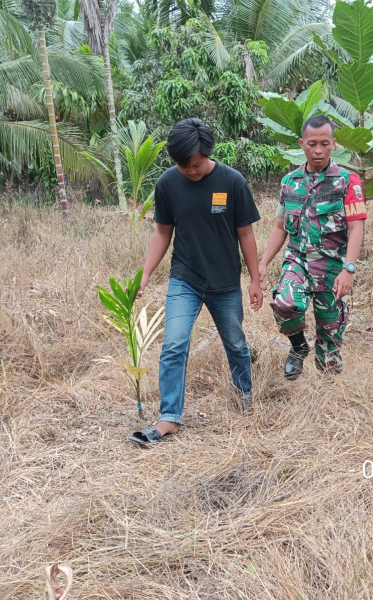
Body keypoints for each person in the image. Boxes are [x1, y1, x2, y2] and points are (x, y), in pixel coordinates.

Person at [129, 118, 262, 447]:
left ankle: (245, 397)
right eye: (182, 165)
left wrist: (256, 278)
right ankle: (169, 418)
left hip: (225, 281)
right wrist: (145, 273)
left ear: (207, 153)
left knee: (235, 344)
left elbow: (245, 233)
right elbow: (162, 232)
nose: (190, 171)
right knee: (174, 344)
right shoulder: (168, 184)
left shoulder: (232, 182)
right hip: (185, 278)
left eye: (196, 164)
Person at [258, 114, 366, 379]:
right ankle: (297, 347)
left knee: (330, 338)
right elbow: (279, 227)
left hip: (332, 266)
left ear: (334, 144)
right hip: (298, 261)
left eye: (325, 144)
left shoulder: (347, 181)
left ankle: (327, 399)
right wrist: (263, 263)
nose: (318, 150)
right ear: (302, 144)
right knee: (284, 303)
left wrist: (348, 269)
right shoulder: (289, 182)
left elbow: (356, 227)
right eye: (312, 143)